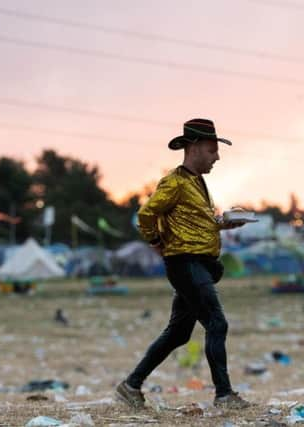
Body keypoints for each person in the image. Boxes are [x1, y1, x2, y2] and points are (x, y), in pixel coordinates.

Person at [115, 118, 252, 410]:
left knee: (178, 333)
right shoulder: (174, 182)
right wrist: (157, 243)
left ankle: (131, 385)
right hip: (186, 264)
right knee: (217, 322)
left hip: (199, 264)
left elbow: (194, 223)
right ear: (194, 148)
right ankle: (224, 395)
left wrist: (224, 224)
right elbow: (146, 214)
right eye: (212, 150)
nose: (217, 156)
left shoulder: (196, 182)